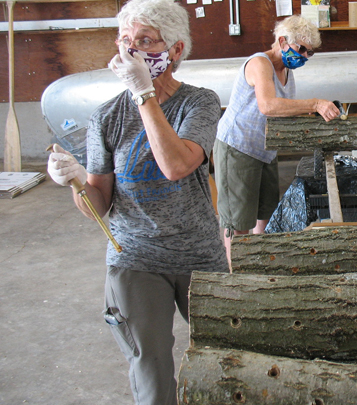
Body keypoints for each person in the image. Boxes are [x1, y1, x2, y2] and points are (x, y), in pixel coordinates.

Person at [46, 0, 228, 403]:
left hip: (197, 250)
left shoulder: (199, 103)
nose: (131, 51)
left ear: (176, 50)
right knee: (151, 367)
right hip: (136, 257)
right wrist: (75, 181)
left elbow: (177, 165)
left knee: (225, 356)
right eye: (125, 41)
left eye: (145, 41)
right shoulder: (106, 117)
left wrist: (145, 92)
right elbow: (101, 204)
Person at [214, 15, 340, 265]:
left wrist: (315, 116)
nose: (304, 56)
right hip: (238, 147)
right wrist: (314, 104)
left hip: (265, 150)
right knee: (238, 222)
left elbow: (284, 110)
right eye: (301, 49)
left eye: (309, 53)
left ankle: (259, 265)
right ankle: (236, 275)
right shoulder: (260, 64)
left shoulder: (286, 70)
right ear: (282, 41)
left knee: (265, 215)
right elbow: (268, 106)